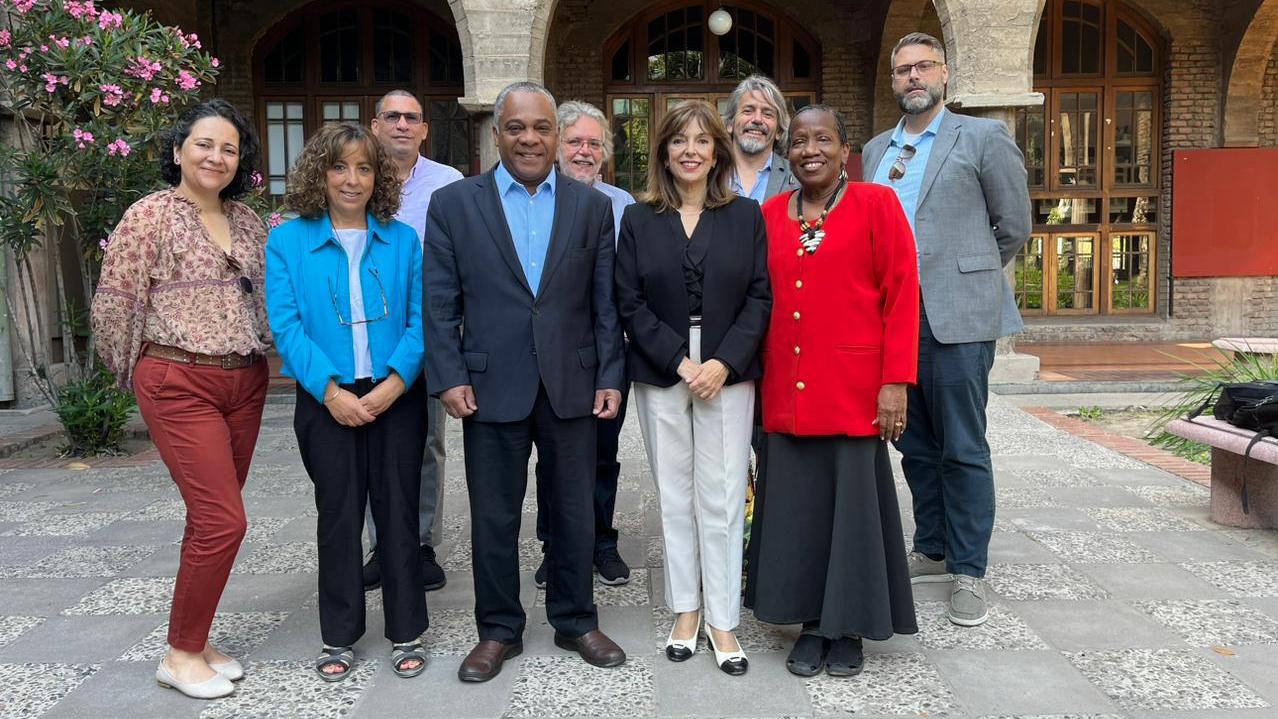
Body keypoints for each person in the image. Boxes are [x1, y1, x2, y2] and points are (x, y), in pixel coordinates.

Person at [423, 81, 627, 683]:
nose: (529, 138)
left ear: (557, 136)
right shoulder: (456, 205)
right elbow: (439, 301)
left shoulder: (592, 208)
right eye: (516, 128)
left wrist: (611, 373)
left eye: (541, 128)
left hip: (574, 382)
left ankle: (575, 620)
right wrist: (448, 375)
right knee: (493, 517)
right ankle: (498, 630)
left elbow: (605, 305)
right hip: (488, 386)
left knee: (573, 512)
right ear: (497, 134)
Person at [92, 99, 269, 699]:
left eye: (229, 147)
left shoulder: (249, 221)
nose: (216, 156)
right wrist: (132, 377)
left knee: (209, 517)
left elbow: (264, 299)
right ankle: (180, 654)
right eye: (203, 144)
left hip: (245, 380)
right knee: (225, 519)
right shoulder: (151, 216)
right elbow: (115, 304)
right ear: (177, 150)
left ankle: (197, 636)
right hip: (178, 378)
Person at [863, 32, 1032, 627]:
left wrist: (965, 272)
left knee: (962, 446)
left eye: (923, 67)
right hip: (892, 320)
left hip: (957, 317)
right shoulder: (874, 150)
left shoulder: (983, 137)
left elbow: (1013, 225)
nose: (913, 77)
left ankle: (968, 568)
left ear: (944, 74)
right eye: (902, 69)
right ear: (893, 81)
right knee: (913, 441)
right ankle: (931, 545)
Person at [746, 105, 920, 678]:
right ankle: (807, 621)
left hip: (854, 392)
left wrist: (896, 380)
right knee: (798, 515)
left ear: (846, 150)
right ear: (784, 151)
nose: (809, 149)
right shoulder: (769, 213)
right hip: (786, 395)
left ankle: (844, 628)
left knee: (851, 516)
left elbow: (901, 294)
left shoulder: (877, 204)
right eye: (798, 141)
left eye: (823, 139)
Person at [265, 122, 428, 681]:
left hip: (395, 396)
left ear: (379, 175)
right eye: (340, 167)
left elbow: (421, 321)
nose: (352, 179)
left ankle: (406, 628)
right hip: (325, 397)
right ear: (320, 173)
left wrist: (392, 386)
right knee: (337, 518)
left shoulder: (403, 239)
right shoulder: (287, 240)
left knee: (399, 514)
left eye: (364, 168)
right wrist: (331, 393)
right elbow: (285, 326)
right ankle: (339, 636)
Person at [615, 100, 771, 676]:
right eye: (679, 140)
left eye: (702, 141)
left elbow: (760, 297)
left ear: (718, 152)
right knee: (675, 497)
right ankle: (686, 610)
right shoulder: (639, 218)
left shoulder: (745, 215)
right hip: (662, 374)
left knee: (723, 497)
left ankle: (722, 618)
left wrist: (724, 364)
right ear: (663, 151)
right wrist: (681, 363)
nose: (690, 150)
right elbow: (628, 300)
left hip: (728, 375)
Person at [531, 100, 636, 589]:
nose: (585, 151)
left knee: (602, 453)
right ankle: (555, 546)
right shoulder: (540, 204)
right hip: (552, 354)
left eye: (595, 144)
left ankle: (601, 541)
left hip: (609, 353)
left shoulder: (624, 206)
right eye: (575, 142)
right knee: (553, 455)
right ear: (557, 147)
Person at [363, 89, 464, 593]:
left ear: (425, 129)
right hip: (362, 333)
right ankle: (381, 544)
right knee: (366, 439)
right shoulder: (354, 177)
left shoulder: (449, 184)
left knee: (426, 440)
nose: (402, 124)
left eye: (413, 118)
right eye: (392, 116)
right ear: (375, 125)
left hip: (429, 330)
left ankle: (421, 543)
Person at [724, 75, 799, 203]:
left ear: (779, 131)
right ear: (730, 124)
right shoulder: (709, 173)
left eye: (767, 114)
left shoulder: (797, 178)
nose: (757, 119)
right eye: (748, 111)